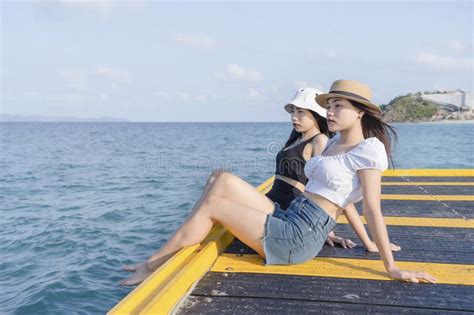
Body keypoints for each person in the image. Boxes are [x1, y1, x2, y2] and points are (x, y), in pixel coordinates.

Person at [120, 80, 435, 286]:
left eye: (339, 106)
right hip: (291, 216)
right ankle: (170, 250)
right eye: (330, 105)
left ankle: (153, 264)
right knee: (224, 181)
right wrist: (352, 239)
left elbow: (371, 208)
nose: (330, 111)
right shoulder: (335, 145)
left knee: (216, 205)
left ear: (361, 113)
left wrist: (390, 265)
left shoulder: (369, 149)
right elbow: (343, 198)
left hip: (299, 237)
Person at [266, 87, 399, 251]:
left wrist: (365, 242)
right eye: (293, 111)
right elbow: (320, 186)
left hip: (295, 213)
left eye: (300, 112)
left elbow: (340, 195)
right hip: (285, 208)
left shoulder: (322, 141)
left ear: (315, 114)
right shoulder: (305, 141)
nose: (294, 117)